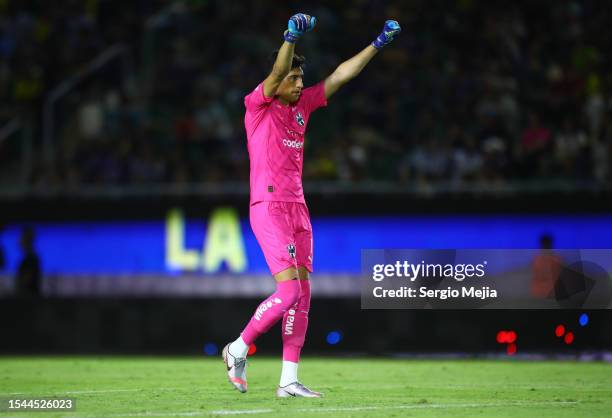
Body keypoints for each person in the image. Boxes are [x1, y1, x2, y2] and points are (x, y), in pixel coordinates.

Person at [221, 13, 401, 398]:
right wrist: (290, 38)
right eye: (295, 78)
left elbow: (340, 76)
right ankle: (237, 349)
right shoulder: (259, 106)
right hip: (268, 206)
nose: (301, 84)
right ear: (278, 82)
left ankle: (288, 380)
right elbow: (277, 71)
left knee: (302, 295)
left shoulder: (302, 107)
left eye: (302, 79)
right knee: (287, 293)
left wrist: (378, 44)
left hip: (298, 209)